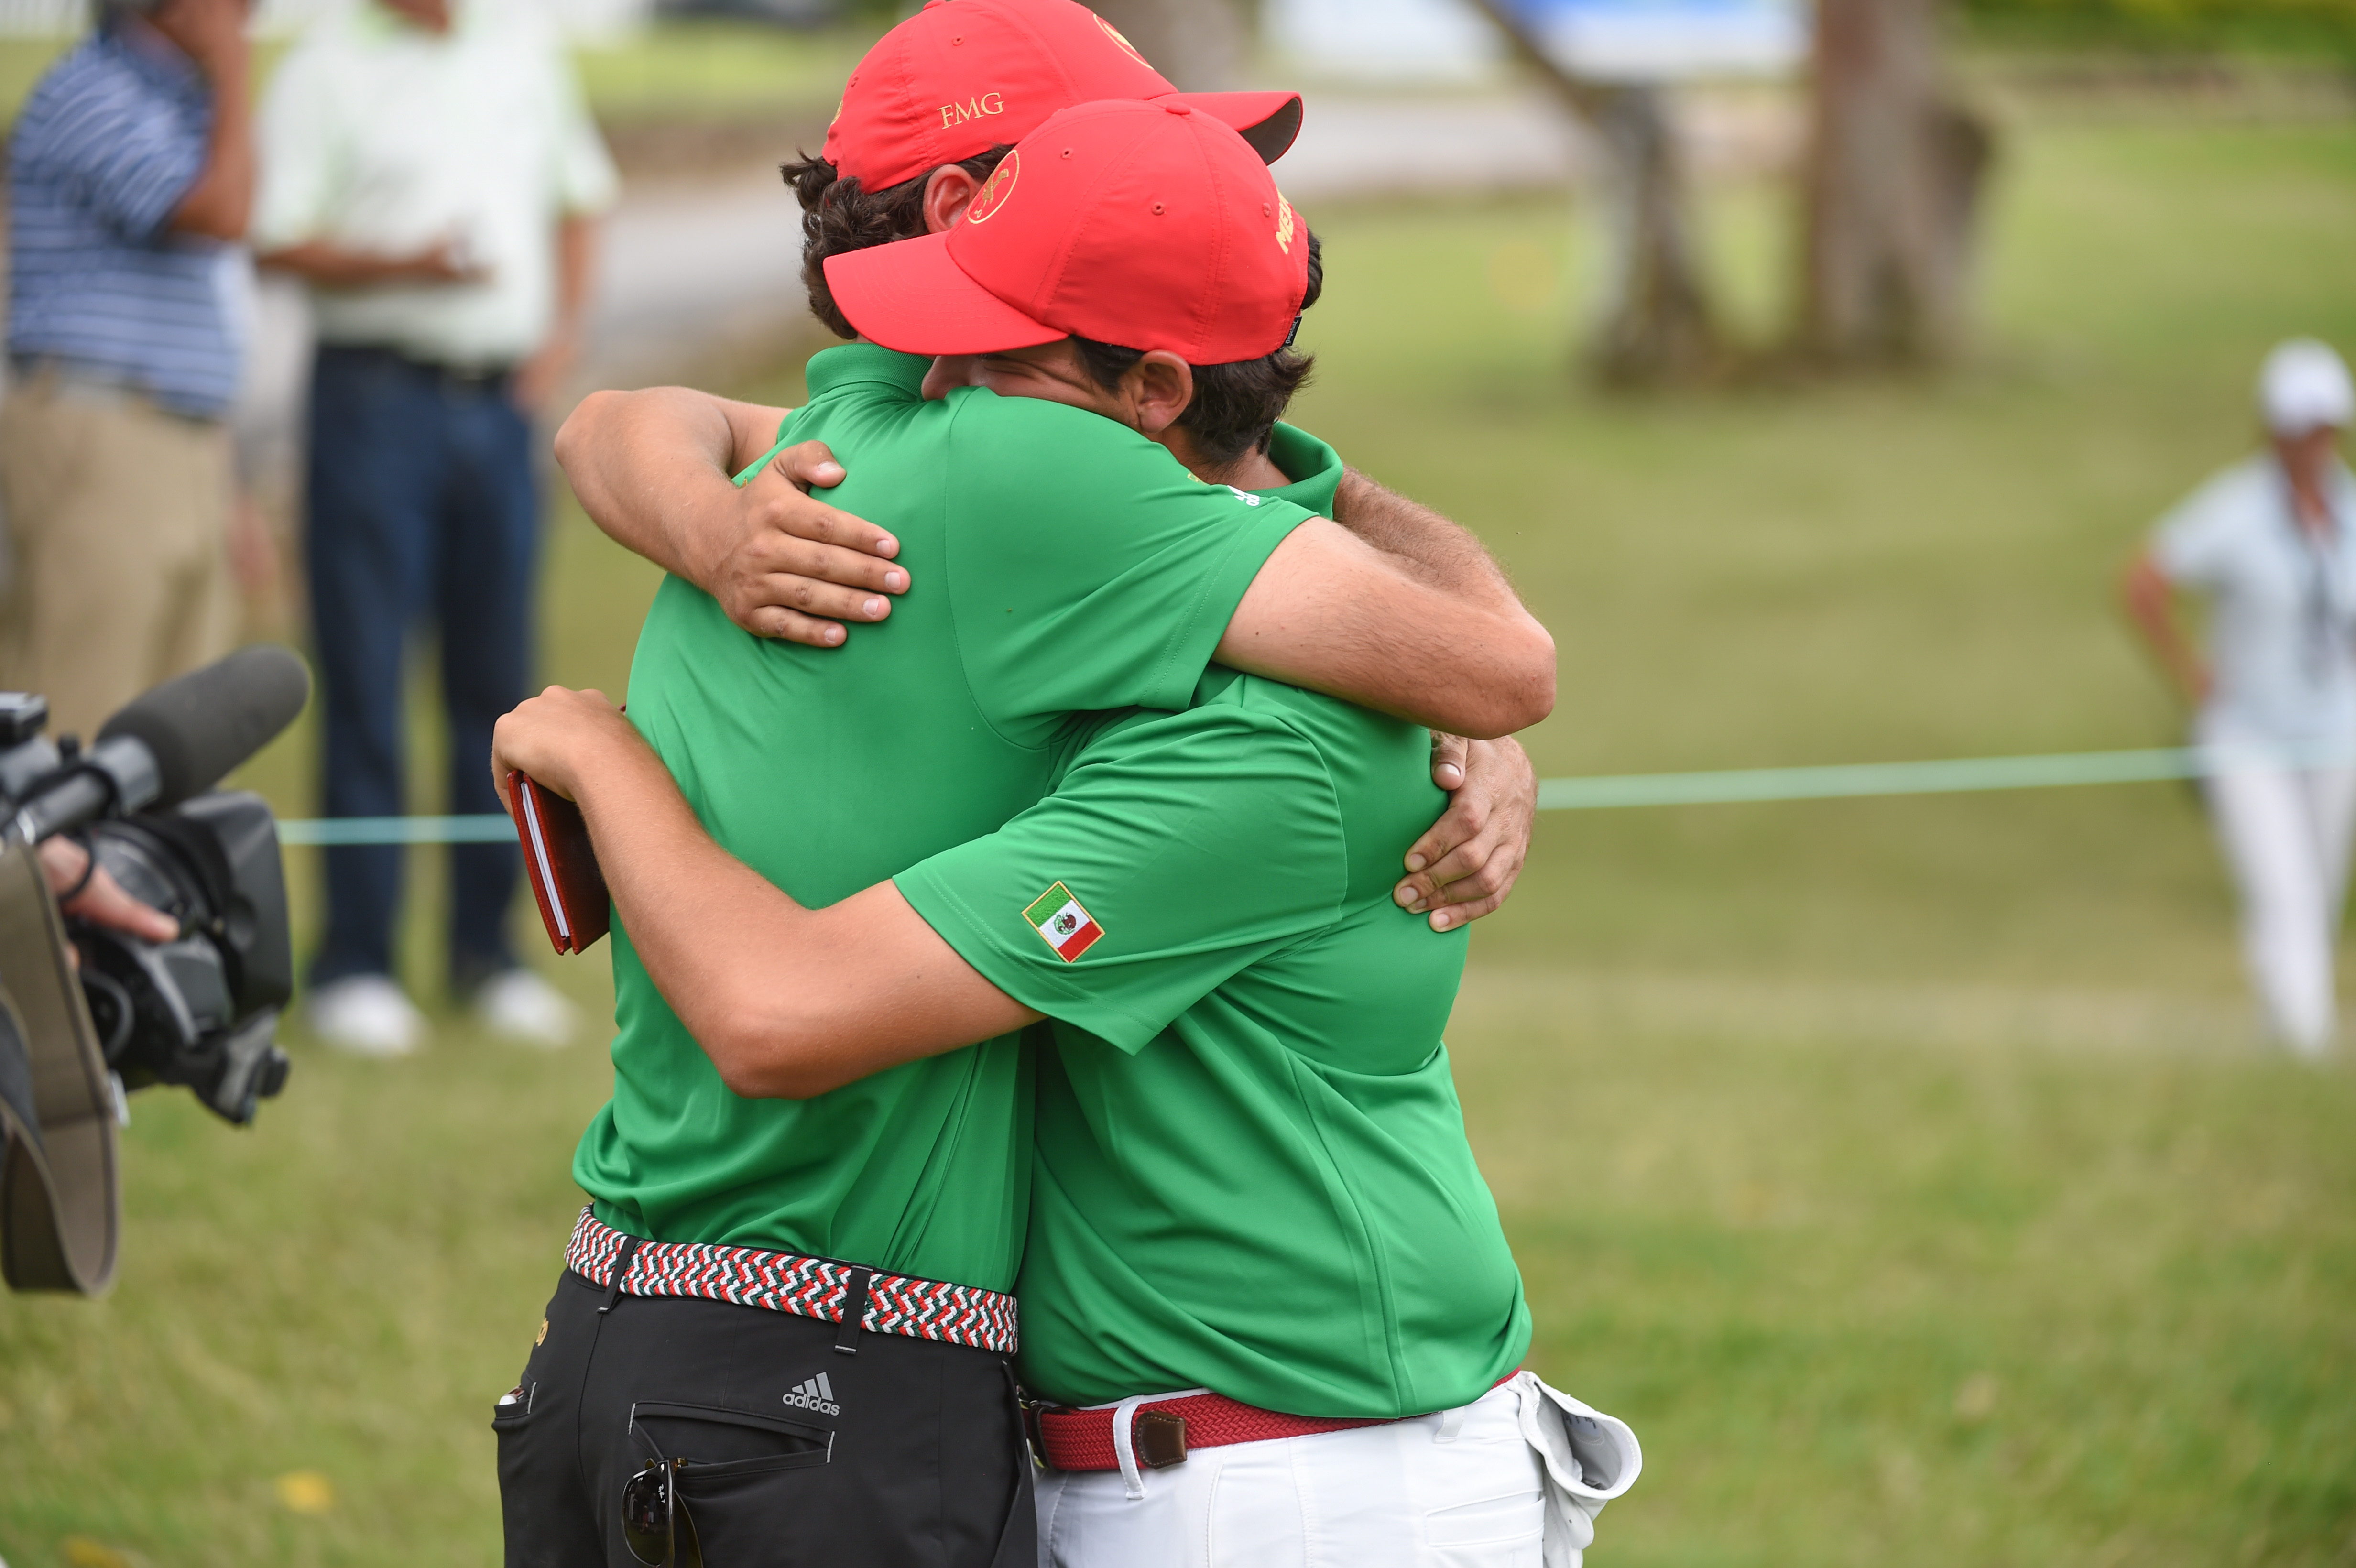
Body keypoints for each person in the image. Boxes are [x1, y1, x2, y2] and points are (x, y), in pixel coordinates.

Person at [492, 101, 1625, 1568]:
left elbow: (779, 1011)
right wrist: (700, 517)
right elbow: (655, 425)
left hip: (1308, 1494)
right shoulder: (1098, 576)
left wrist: (597, 748)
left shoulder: (1263, 751)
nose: (938, 396)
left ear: (1152, 396)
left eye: (997, 356)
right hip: (1177, 1468)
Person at [251, 0, 619, 1056]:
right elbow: (277, 240)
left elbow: (580, 198)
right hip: (374, 401)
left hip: (498, 407)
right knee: (368, 681)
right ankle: (357, 963)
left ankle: (488, 952)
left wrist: (558, 346)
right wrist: (406, 265)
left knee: (500, 690)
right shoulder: (322, 67)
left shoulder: (523, 48)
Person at [0, 0, 254, 741]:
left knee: (181, 740)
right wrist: (236, 68)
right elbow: (222, 210)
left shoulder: (175, 101)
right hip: (103, 429)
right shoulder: (95, 90)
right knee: (79, 725)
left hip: (176, 435)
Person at [2124, 338, 2356, 1058]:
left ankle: (2279, 1038)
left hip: (2335, 731)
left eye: (2321, 428)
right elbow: (2142, 582)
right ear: (2271, 430)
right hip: (2246, 735)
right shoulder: (2236, 506)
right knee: (2282, 892)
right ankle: (2308, 1049)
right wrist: (2195, 677)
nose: (2309, 443)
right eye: (2296, 428)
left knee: (2316, 896)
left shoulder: (2350, 511)